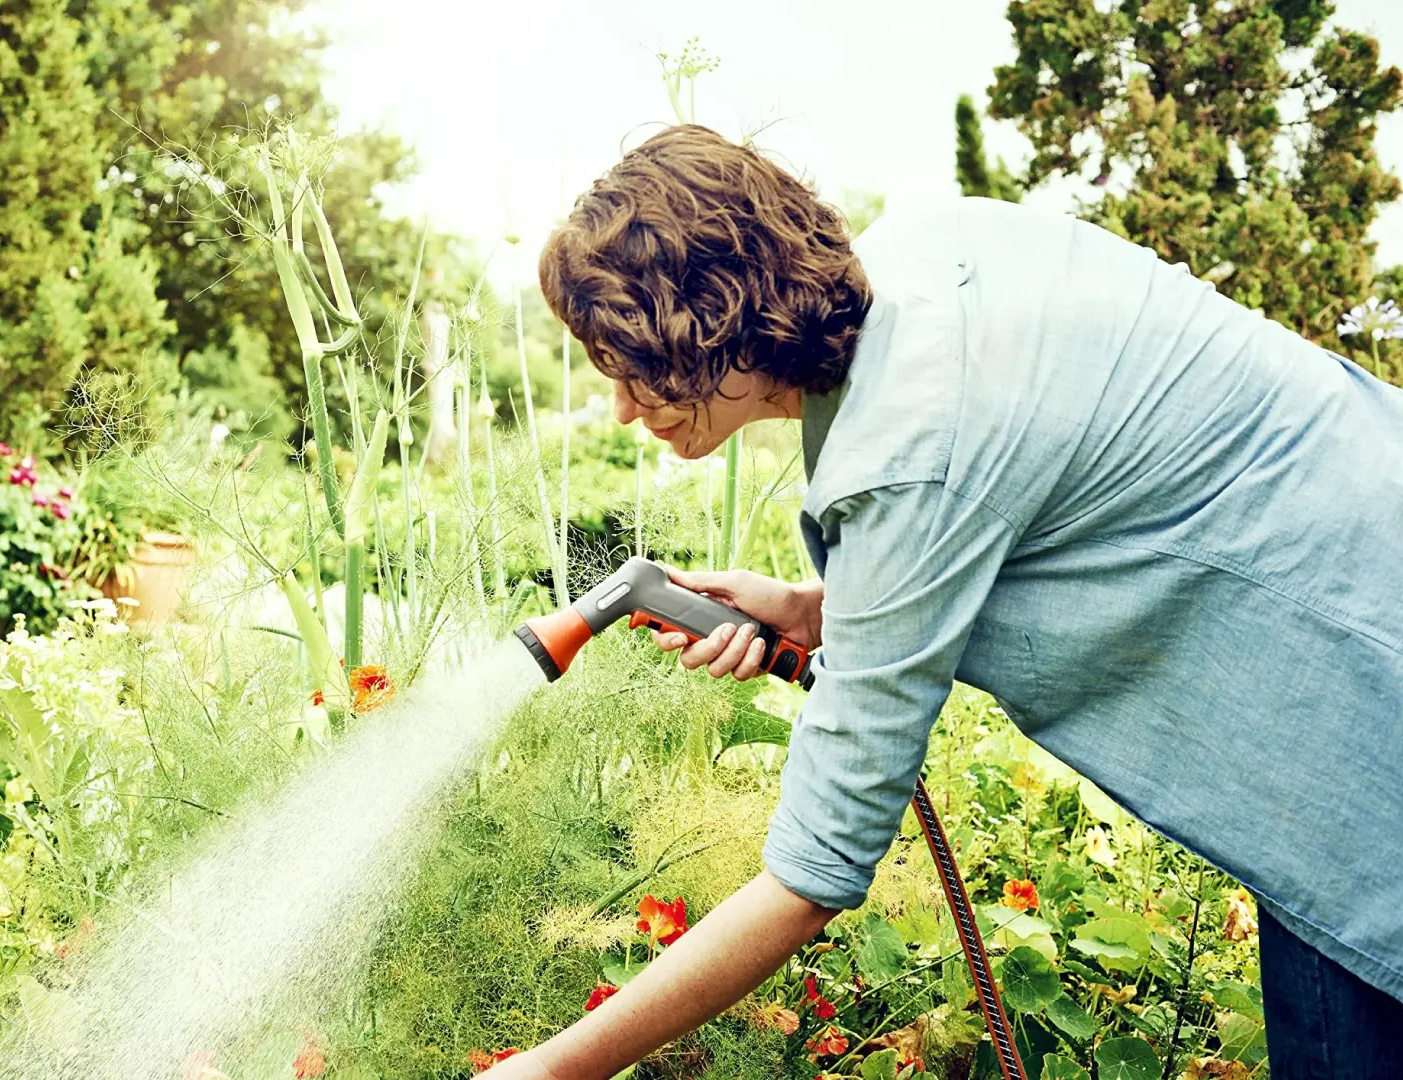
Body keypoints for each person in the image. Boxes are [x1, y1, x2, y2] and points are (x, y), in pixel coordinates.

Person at [480, 124, 1403, 1080]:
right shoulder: (931, 251)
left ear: (719, 324)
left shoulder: (905, 460)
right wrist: (820, 608)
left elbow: (812, 878)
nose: (625, 407)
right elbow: (1054, 504)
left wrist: (553, 1069)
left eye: (637, 366)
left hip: (1362, 715)